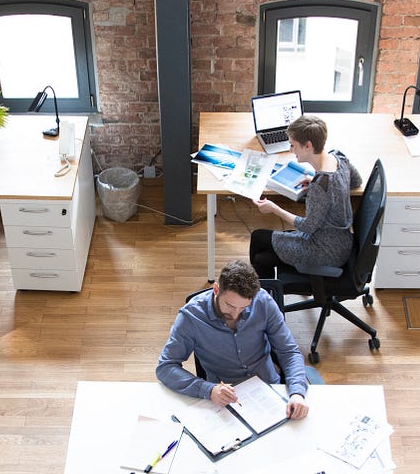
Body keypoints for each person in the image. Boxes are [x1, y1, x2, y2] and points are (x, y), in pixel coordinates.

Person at [156, 259, 309, 419]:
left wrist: (297, 393)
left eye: (243, 308)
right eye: (230, 305)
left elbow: (289, 351)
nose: (236, 314)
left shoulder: (263, 302)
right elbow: (166, 367)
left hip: (269, 389)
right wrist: (207, 389)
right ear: (216, 289)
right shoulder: (191, 317)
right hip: (224, 398)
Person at [249, 115, 364, 279]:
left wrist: (274, 209)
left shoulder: (321, 185)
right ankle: (266, 294)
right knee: (261, 256)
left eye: (293, 145)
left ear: (308, 146)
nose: (291, 150)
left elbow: (308, 227)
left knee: (258, 238)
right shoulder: (339, 158)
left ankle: (264, 298)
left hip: (325, 250)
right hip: (342, 241)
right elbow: (356, 181)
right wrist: (321, 187)